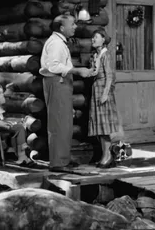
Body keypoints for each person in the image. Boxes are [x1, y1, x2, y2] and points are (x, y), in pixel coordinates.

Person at [40, 14, 91, 172]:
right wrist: (77, 70)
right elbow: (54, 67)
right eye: (72, 24)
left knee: (65, 122)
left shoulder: (59, 42)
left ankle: (63, 159)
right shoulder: (56, 43)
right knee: (59, 123)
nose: (75, 27)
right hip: (57, 82)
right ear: (62, 28)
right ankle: (58, 163)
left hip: (61, 82)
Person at [88, 28, 120, 169]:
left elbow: (110, 76)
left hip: (103, 90)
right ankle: (104, 155)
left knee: (105, 125)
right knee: (100, 126)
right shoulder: (96, 55)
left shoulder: (106, 54)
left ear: (103, 39)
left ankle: (107, 156)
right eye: (92, 37)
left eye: (96, 37)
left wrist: (106, 93)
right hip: (96, 88)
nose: (93, 39)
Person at [0, 84, 31, 165]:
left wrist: (9, 123)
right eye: (0, 94)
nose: (3, 95)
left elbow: (0, 120)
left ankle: (21, 154)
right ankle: (21, 155)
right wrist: (3, 125)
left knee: (19, 127)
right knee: (19, 128)